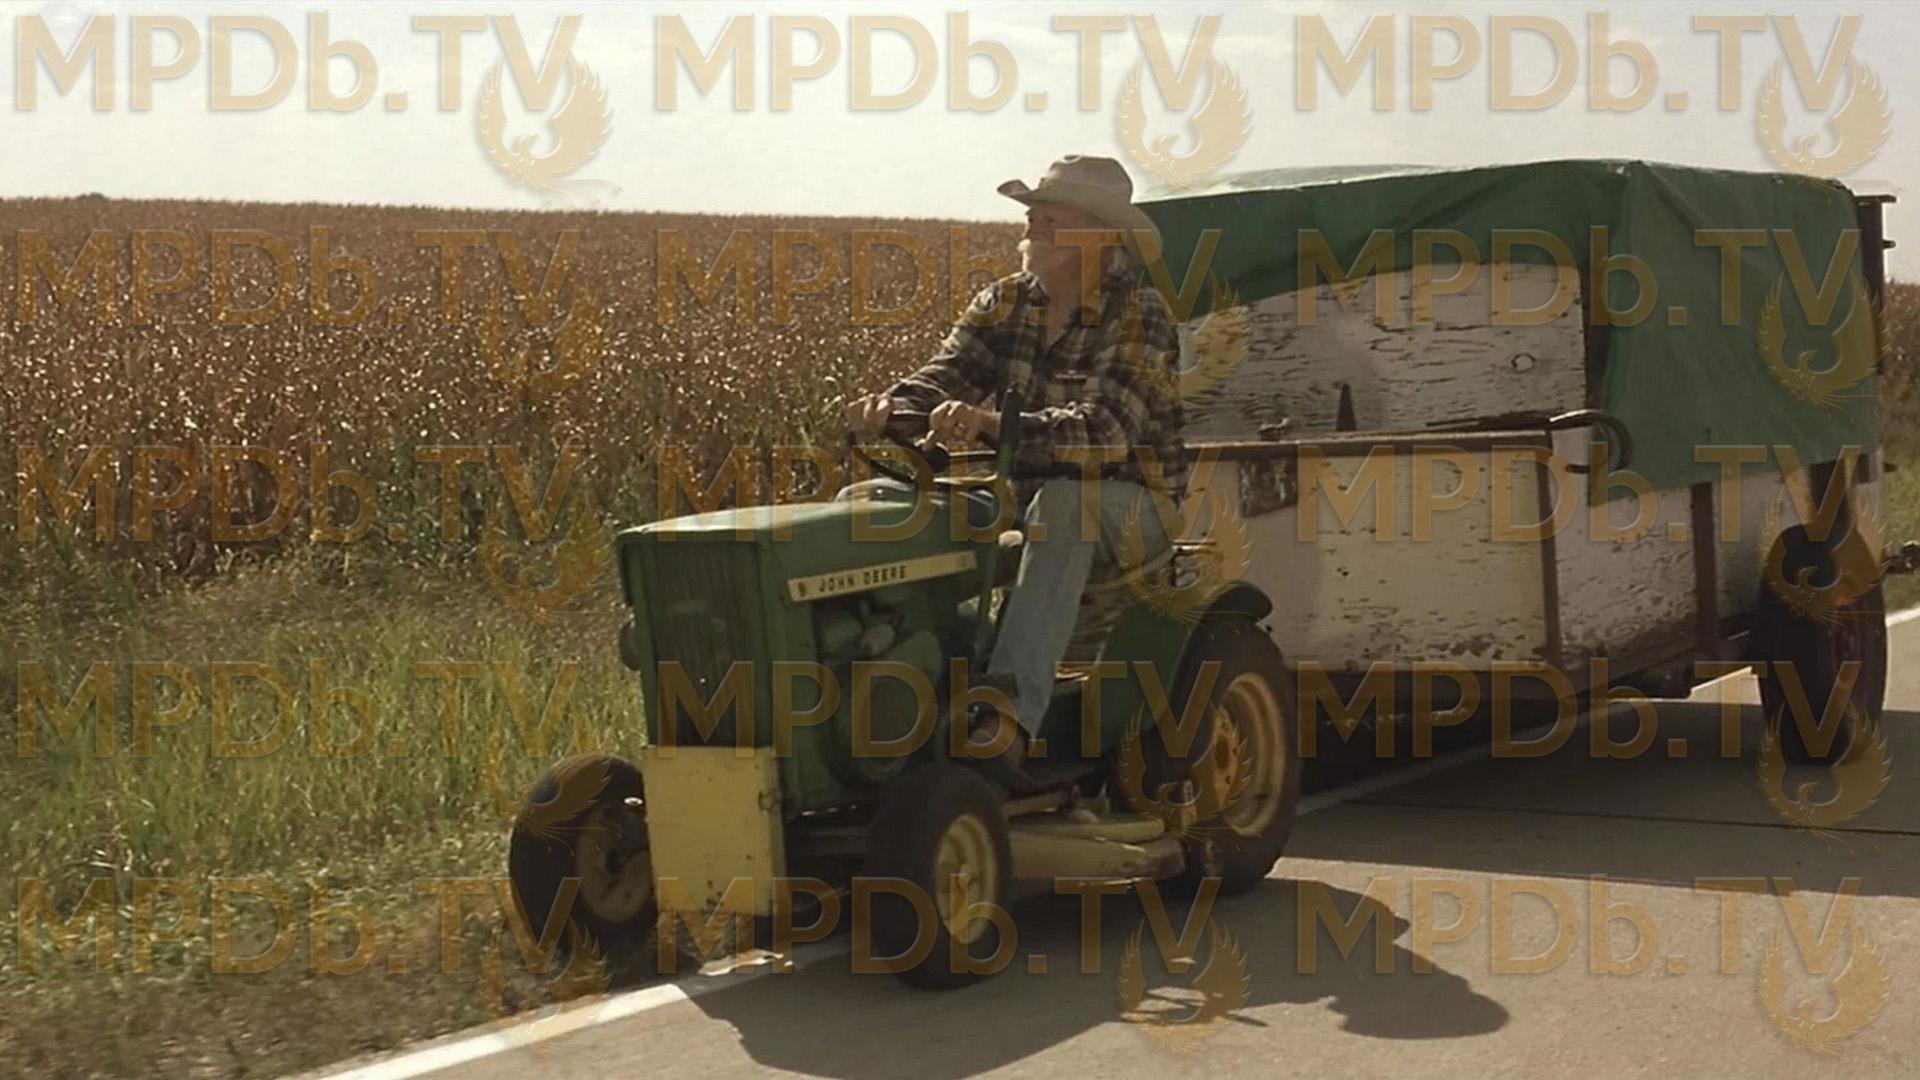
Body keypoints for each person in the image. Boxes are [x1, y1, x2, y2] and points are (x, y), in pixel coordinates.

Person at [842, 154, 1186, 773]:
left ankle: (1007, 715)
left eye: (1053, 219)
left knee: (1063, 505)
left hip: (1130, 503)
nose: (1032, 228)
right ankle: (891, 696)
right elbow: (947, 374)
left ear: (1101, 236)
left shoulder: (1141, 315)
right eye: (1032, 216)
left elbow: (1105, 434)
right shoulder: (1003, 302)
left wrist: (992, 424)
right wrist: (890, 408)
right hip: (1014, 494)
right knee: (868, 507)